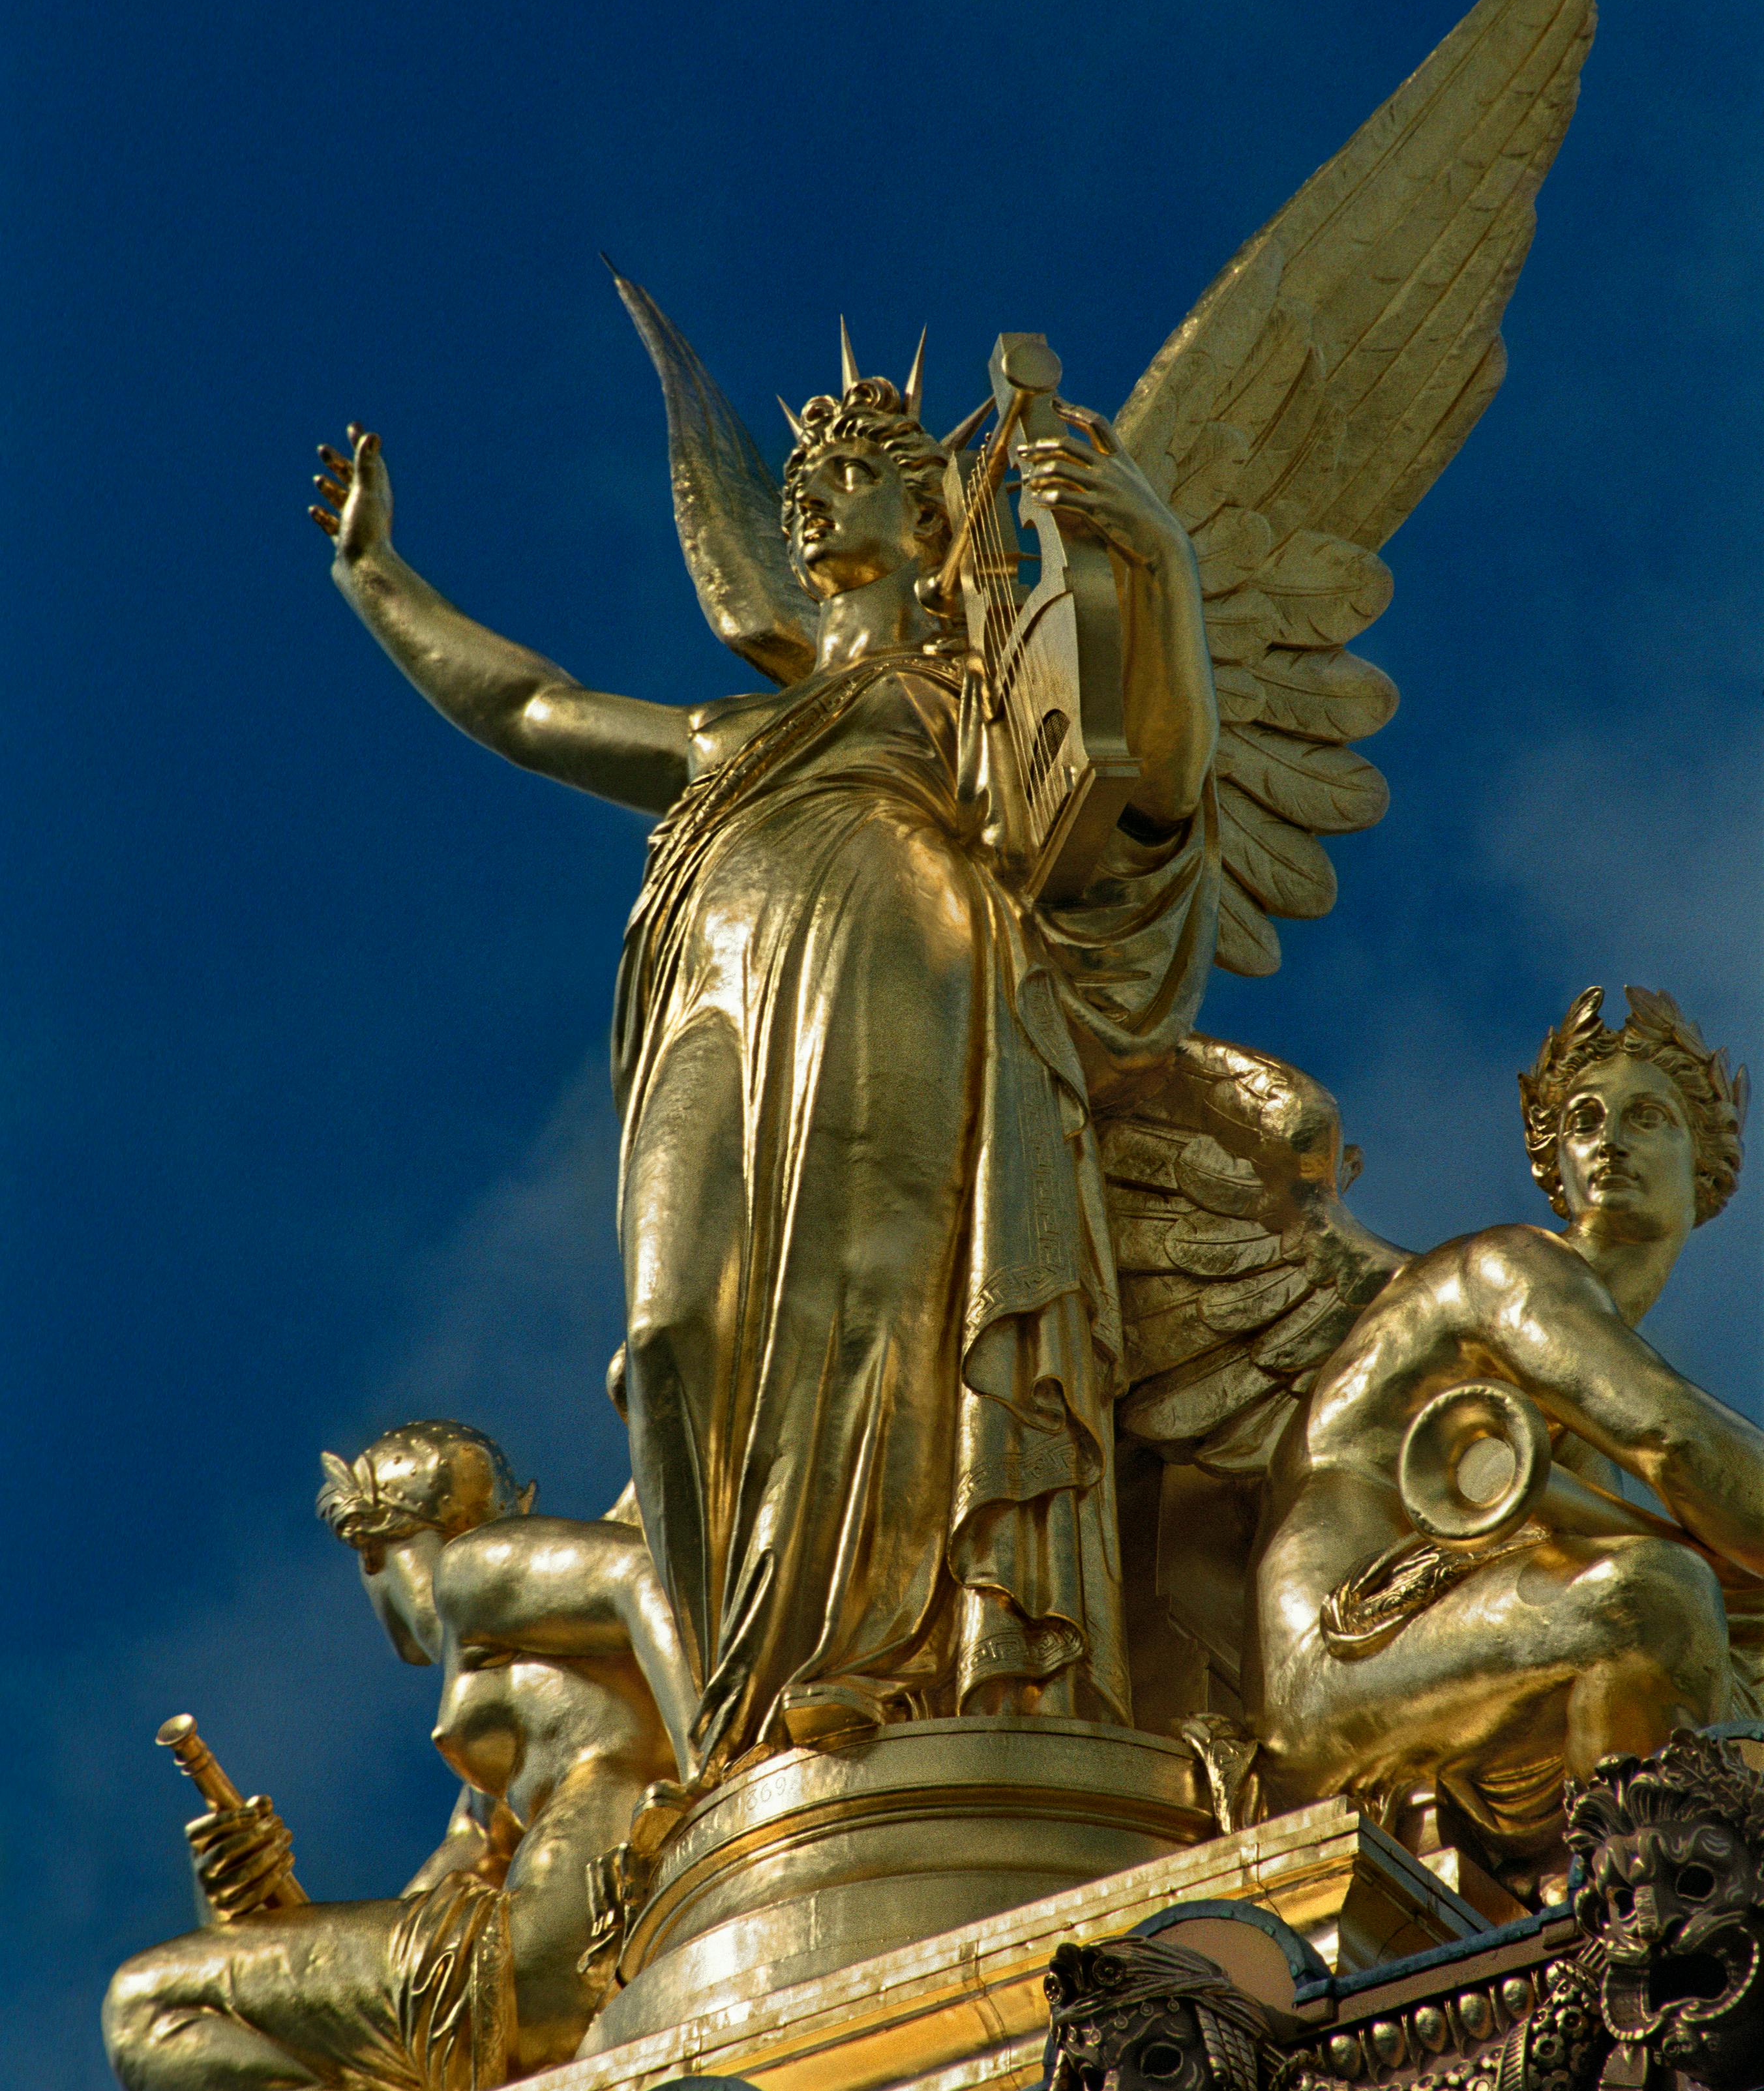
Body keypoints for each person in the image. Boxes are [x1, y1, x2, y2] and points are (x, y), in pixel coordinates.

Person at [312, 360, 1219, 1776]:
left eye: (845, 474)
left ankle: (882, 1664)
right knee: (675, 1335)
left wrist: (1148, 563)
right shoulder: (722, 733)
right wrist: (378, 579)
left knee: (883, 1305)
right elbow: (534, 710)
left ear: (930, 518)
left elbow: (1150, 781)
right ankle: (741, 1697)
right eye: (794, 485)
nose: (805, 501)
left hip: (893, 961)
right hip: (712, 998)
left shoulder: (971, 684)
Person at [1248, 986, 1762, 1887]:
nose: (1608, 1139)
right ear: (1553, 1158)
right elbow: (1671, 1438)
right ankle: (1644, 1918)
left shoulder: (1582, 1387)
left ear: (1709, 1163)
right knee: (1650, 1601)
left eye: (1647, 1116)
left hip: (1438, 1633)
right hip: (1339, 1650)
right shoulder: (1507, 1270)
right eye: (1583, 1119)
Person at [104, 1421, 693, 2091]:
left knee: (145, 2005)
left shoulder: (472, 1565)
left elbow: (641, 1577)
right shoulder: (523, 1722)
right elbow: (403, 1934)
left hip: (543, 1951)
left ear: (370, 1550)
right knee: (228, 1996)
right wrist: (247, 1916)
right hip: (541, 1957)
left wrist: (706, 1766)